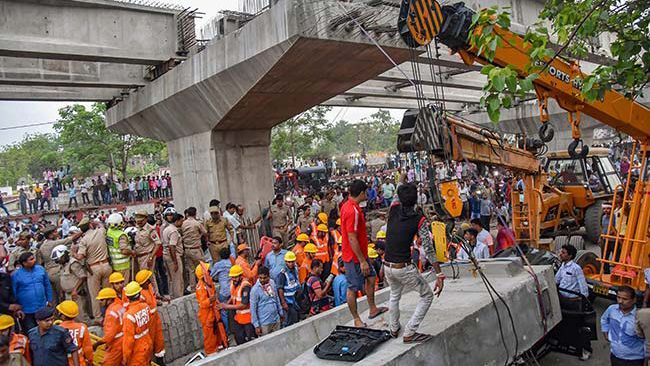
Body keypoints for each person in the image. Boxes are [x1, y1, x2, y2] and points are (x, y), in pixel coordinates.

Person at [383, 183, 444, 343]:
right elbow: (429, 248)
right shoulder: (420, 219)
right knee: (427, 296)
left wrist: (404, 181)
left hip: (387, 265)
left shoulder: (393, 208)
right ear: (416, 199)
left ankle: (394, 328)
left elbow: (398, 190)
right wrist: (439, 273)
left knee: (394, 294)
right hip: (403, 268)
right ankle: (410, 332)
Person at [340, 179, 387, 327]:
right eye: (366, 192)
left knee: (371, 278)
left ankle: (372, 309)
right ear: (361, 193)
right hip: (354, 257)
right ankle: (356, 319)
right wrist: (362, 260)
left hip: (360, 254)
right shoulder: (352, 210)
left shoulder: (348, 206)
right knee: (353, 288)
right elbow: (352, 237)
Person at [75, 217, 112, 322]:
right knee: (107, 292)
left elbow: (80, 257)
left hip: (93, 268)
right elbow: (101, 224)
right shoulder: (101, 232)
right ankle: (109, 313)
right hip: (106, 264)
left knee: (95, 295)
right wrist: (95, 222)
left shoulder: (84, 240)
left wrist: (73, 252)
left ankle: (98, 317)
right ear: (90, 225)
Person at [601, 286, 645, 366]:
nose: (620, 301)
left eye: (625, 299)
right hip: (615, 356)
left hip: (634, 360)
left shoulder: (640, 316)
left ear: (634, 300)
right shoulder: (611, 309)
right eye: (618, 297)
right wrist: (605, 332)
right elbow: (604, 319)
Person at [12, 252, 53, 332]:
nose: (34, 260)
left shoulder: (40, 269)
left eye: (34, 258)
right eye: (31, 259)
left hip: (42, 307)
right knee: (31, 331)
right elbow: (13, 292)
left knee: (45, 330)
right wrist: (17, 309)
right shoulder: (16, 275)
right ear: (24, 263)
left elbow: (47, 285)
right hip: (26, 310)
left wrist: (50, 299)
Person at [39, 225, 81, 303]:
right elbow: (71, 239)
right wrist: (83, 230)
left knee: (54, 297)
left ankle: (57, 313)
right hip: (57, 272)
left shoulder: (42, 246)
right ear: (50, 235)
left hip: (48, 272)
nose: (57, 233)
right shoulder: (54, 243)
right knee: (62, 296)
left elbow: (41, 262)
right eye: (55, 232)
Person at [195, 262, 228, 356]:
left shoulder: (208, 283)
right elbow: (202, 303)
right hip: (206, 315)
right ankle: (211, 352)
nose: (210, 272)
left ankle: (220, 345)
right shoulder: (201, 287)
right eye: (208, 271)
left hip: (213, 312)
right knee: (209, 335)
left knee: (217, 330)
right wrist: (210, 300)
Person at [220, 265, 256, 345]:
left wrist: (227, 306)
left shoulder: (245, 286)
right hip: (238, 318)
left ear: (241, 276)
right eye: (232, 277)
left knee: (250, 341)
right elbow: (233, 297)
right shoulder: (233, 284)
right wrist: (225, 304)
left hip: (248, 319)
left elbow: (244, 305)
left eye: (235, 277)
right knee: (240, 339)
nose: (233, 279)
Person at [134, 270, 165, 362]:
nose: (149, 281)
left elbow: (153, 297)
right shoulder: (140, 295)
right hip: (147, 321)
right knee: (149, 342)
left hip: (155, 317)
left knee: (159, 339)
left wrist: (160, 298)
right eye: (147, 280)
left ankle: (160, 361)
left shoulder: (149, 287)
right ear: (143, 283)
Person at [52, 245, 89, 322]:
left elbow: (82, 277)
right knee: (73, 317)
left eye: (59, 259)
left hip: (76, 294)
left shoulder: (73, 263)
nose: (58, 261)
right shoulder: (62, 265)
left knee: (81, 316)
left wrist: (75, 290)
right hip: (68, 294)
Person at [121, 281, 153, 366]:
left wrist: (125, 358)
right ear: (139, 294)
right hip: (148, 343)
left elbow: (128, 341)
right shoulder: (145, 307)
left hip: (137, 351)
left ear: (127, 297)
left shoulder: (128, 316)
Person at [92, 288, 124, 366]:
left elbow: (110, 335)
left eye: (102, 300)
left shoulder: (111, 313)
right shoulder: (119, 306)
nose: (100, 302)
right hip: (123, 340)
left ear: (109, 300)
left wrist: (97, 344)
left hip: (116, 344)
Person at [55, 300, 93, 366]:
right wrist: (90, 361)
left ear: (63, 315)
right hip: (79, 361)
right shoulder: (82, 327)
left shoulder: (56, 329)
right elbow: (88, 348)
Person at [250, 266, 283, 336]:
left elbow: (276, 298)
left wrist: (281, 312)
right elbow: (253, 309)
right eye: (260, 278)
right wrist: (256, 325)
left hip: (276, 319)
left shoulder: (272, 283)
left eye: (264, 278)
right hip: (264, 323)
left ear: (268, 276)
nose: (262, 280)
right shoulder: (255, 290)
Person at [133, 210, 161, 293]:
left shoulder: (150, 229)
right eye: (138, 221)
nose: (139, 223)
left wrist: (151, 257)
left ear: (145, 219)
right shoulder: (138, 228)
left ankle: (155, 295)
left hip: (147, 255)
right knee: (144, 277)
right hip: (139, 257)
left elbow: (158, 243)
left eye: (141, 221)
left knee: (149, 277)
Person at [181, 207, 207, 289]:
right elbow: (205, 232)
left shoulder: (183, 223)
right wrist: (199, 235)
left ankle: (193, 287)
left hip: (187, 249)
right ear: (195, 213)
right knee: (201, 267)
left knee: (191, 269)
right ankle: (203, 285)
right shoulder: (196, 223)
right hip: (196, 249)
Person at [162, 213, 184, 299]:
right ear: (177, 221)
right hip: (173, 256)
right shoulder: (174, 231)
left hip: (166, 256)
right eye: (181, 221)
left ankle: (172, 295)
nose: (182, 223)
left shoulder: (166, 229)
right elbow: (172, 246)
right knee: (177, 279)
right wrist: (175, 262)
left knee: (171, 279)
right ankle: (178, 297)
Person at [105, 213, 133, 282]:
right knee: (124, 285)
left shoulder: (109, 232)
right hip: (123, 265)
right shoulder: (121, 235)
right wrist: (132, 252)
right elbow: (124, 250)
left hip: (114, 264)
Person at [276, 251, 300, 326]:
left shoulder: (295, 269)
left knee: (297, 319)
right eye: (289, 262)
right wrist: (283, 303)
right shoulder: (283, 274)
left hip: (295, 299)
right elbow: (280, 289)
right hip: (288, 301)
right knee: (290, 321)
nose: (291, 263)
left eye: (292, 262)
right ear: (286, 262)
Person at [211, 247, 232, 332]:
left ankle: (227, 332)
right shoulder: (231, 262)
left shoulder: (218, 265)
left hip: (224, 291)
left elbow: (211, 276)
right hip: (232, 289)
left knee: (224, 312)